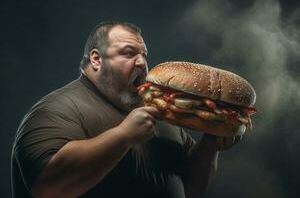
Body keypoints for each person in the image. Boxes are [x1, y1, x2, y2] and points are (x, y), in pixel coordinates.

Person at [11, 21, 242, 198]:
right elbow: (48, 188)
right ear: (96, 59)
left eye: (144, 55)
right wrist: (124, 136)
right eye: (129, 53)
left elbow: (189, 187)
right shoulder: (56, 109)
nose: (142, 63)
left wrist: (210, 144)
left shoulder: (160, 111)